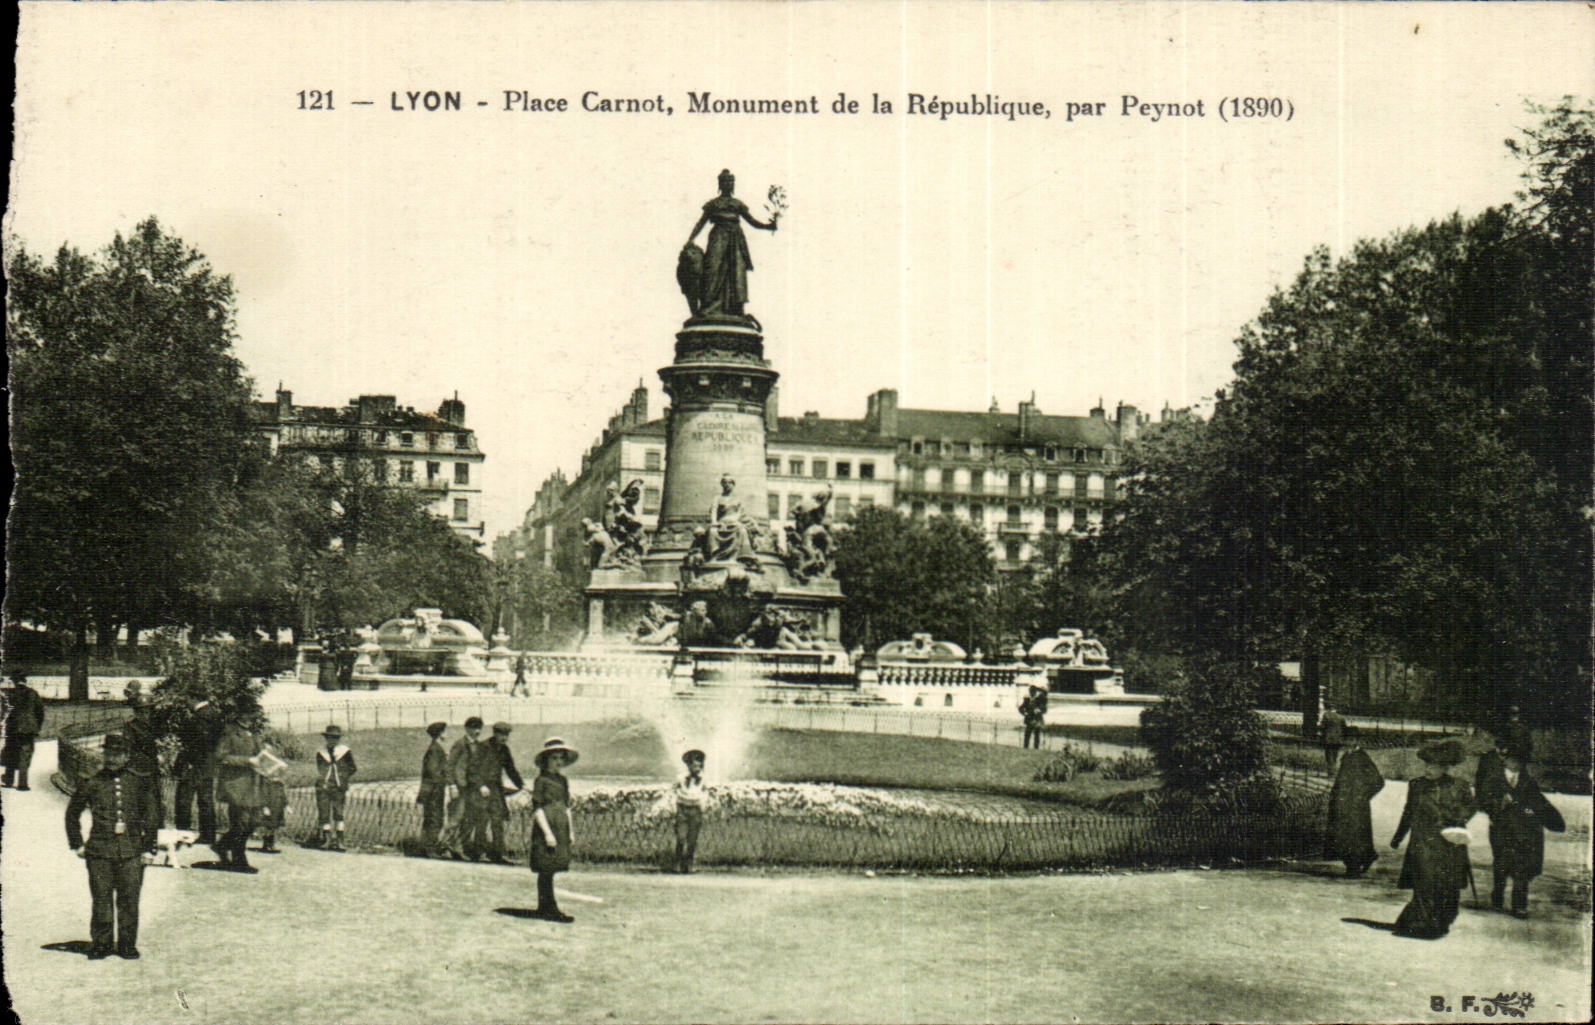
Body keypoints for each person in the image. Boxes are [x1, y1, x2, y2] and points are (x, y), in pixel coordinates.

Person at [66, 734, 161, 959]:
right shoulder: (92, 781)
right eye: (108, 753)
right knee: (101, 899)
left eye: (118, 754)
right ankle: (102, 944)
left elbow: (151, 816)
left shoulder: (138, 781)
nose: (112, 758)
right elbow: (72, 814)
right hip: (99, 851)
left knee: (129, 900)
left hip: (131, 851)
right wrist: (77, 844)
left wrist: (149, 849)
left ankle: (127, 944)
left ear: (126, 756)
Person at [1390, 738, 1475, 939]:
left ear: (1444, 767)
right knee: (1424, 881)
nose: (1428, 769)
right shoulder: (1416, 785)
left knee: (1447, 884)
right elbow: (1408, 812)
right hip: (1423, 842)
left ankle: (1440, 921)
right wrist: (1398, 837)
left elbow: (1471, 807)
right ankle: (1422, 924)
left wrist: (1460, 817)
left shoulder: (1459, 786)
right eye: (1427, 764)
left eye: (1434, 766)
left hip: (1449, 844)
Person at [1481, 745, 1565, 918]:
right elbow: (1483, 802)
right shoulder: (1493, 779)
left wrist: (1537, 814)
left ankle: (1519, 905)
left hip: (1522, 832)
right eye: (1513, 760)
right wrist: (1499, 804)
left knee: (1522, 867)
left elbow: (1537, 805)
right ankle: (1497, 896)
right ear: (1505, 761)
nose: (1517, 764)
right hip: (1500, 830)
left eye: (1520, 761)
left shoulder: (1528, 782)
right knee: (1501, 865)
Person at [685, 169, 779, 318]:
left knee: (736, 272)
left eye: (731, 181)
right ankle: (709, 305)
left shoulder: (737, 204)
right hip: (718, 236)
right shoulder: (713, 204)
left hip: (736, 239)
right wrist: (690, 239)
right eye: (725, 181)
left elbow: (752, 221)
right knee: (712, 268)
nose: (728, 184)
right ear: (720, 184)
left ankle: (735, 308)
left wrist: (769, 226)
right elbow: (701, 223)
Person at [530, 737, 578, 922]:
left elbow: (567, 807)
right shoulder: (541, 780)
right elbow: (537, 808)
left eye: (561, 758)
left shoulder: (563, 780)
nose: (558, 762)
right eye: (554, 758)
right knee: (545, 867)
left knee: (554, 865)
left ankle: (548, 906)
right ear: (546, 760)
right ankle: (547, 906)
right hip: (547, 826)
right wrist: (547, 832)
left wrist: (570, 830)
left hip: (560, 825)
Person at [1325, 730, 1385, 877]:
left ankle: (1354, 867)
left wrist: (1363, 796)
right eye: (1346, 739)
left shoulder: (1362, 758)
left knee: (1354, 835)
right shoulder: (1347, 757)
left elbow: (1378, 781)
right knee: (1344, 834)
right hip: (1342, 803)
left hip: (1356, 806)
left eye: (1351, 740)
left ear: (1357, 741)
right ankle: (1362, 859)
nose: (1347, 743)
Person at [212, 712, 264, 873]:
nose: (253, 718)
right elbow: (220, 756)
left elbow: (258, 756)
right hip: (234, 784)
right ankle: (239, 859)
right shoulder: (230, 732)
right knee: (241, 822)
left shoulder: (253, 734)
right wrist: (246, 761)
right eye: (250, 713)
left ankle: (222, 845)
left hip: (250, 785)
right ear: (241, 715)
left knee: (254, 821)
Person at [474, 722, 526, 864]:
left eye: (506, 735)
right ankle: (479, 853)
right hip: (483, 790)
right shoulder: (483, 747)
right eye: (502, 734)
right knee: (482, 821)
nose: (504, 738)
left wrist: (521, 785)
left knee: (497, 821)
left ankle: (499, 854)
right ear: (495, 733)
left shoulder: (504, 749)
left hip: (496, 789)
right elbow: (473, 769)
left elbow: (510, 769)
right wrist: (481, 786)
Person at [173, 698, 221, 845]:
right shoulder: (215, 714)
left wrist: (183, 762)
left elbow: (195, 743)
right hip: (208, 765)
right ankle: (208, 835)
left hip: (193, 765)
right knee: (206, 800)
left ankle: (183, 834)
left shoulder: (198, 717)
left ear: (193, 698)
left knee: (184, 799)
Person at [449, 717, 487, 860]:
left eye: (479, 728)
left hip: (472, 787)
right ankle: (445, 847)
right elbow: (450, 765)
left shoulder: (479, 746)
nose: (477, 731)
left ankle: (459, 848)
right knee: (456, 817)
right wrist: (452, 784)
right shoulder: (460, 744)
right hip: (460, 786)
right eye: (473, 728)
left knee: (468, 818)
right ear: (467, 729)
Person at [314, 724, 357, 851]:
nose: (332, 740)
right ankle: (326, 839)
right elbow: (320, 768)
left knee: (338, 812)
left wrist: (342, 776)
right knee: (324, 812)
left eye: (335, 738)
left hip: (338, 787)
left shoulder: (344, 751)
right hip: (325, 786)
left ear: (338, 739)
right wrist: (324, 778)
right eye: (330, 738)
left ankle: (340, 840)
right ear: (326, 738)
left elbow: (352, 768)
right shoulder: (321, 752)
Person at [2, 672, 46, 790]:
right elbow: (40, 712)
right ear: (25, 681)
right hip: (28, 729)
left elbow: (5, 710)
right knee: (25, 754)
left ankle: (8, 781)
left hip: (13, 728)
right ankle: (23, 784)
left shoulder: (11, 694)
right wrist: (37, 726)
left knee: (11, 752)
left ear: (15, 682)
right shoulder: (33, 693)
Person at [416, 722, 450, 857]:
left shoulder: (436, 749)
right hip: (433, 791)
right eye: (445, 732)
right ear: (440, 734)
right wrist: (444, 780)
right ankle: (430, 849)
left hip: (433, 790)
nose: (447, 734)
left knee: (433, 818)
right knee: (434, 819)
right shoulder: (435, 750)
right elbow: (432, 771)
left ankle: (428, 847)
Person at [672, 749, 707, 874]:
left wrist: (703, 805)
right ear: (688, 765)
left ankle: (689, 864)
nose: (697, 768)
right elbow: (673, 790)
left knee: (692, 840)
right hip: (682, 809)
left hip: (696, 811)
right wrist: (675, 803)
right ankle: (678, 863)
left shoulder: (703, 779)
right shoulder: (680, 778)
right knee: (681, 837)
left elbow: (705, 793)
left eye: (699, 765)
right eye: (694, 765)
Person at [256, 741, 290, 854]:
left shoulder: (279, 783)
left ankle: (271, 843)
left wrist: (287, 805)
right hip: (270, 805)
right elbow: (263, 794)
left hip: (277, 806)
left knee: (274, 825)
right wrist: (265, 806)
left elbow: (283, 794)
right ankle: (267, 844)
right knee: (268, 825)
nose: (277, 775)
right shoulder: (266, 782)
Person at [1320, 705, 1348, 773]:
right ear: (1336, 709)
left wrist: (1322, 735)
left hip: (1328, 739)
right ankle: (1334, 769)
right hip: (1337, 739)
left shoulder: (1326, 716)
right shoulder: (1341, 717)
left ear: (1330, 709)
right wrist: (1342, 737)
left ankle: (1331, 770)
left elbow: (1322, 727)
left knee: (1329, 755)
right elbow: (1345, 729)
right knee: (1335, 754)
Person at [1019, 686, 1048, 750]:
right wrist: (1024, 713)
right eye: (1031, 691)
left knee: (1037, 734)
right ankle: (1025, 747)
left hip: (1037, 719)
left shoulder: (1039, 699)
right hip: (1029, 718)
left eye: (1033, 691)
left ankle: (1036, 748)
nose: (1032, 693)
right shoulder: (1027, 699)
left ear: (1035, 692)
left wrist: (1039, 710)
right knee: (1027, 734)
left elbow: (1044, 709)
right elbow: (1021, 708)